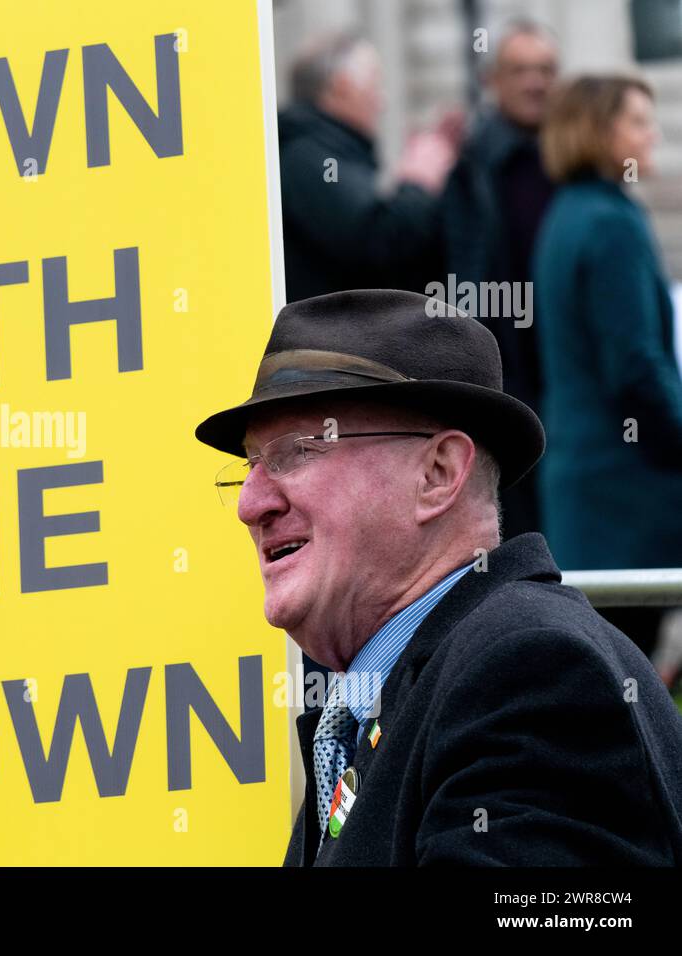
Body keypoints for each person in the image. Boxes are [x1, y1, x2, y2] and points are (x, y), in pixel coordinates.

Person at [195, 289, 682, 865]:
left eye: (295, 453)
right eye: (250, 466)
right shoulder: (390, 703)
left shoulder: (527, 672)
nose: (251, 504)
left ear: (439, 473)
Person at [532, 76, 682, 658]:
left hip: (589, 493)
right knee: (624, 684)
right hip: (622, 501)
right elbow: (635, 368)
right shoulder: (610, 223)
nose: (654, 134)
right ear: (602, 132)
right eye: (640, 122)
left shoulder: (569, 213)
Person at [439, 19, 559, 538]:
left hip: (561, 374)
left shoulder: (568, 158)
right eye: (520, 70)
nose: (535, 82)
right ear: (493, 80)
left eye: (546, 70)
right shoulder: (473, 163)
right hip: (508, 375)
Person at [278, 32, 458, 302]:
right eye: (375, 85)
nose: (382, 102)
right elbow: (375, 243)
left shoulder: (325, 149)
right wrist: (417, 184)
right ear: (341, 87)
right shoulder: (307, 156)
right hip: (329, 338)